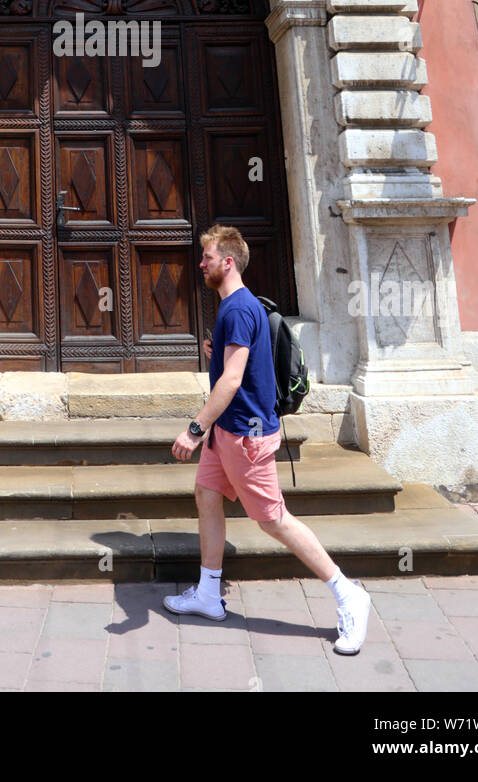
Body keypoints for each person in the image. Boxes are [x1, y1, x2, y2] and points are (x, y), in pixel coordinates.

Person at [162, 224, 372, 655]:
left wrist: (194, 430)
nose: (200, 264)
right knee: (206, 495)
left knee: (273, 519)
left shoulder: (237, 309)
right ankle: (207, 592)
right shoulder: (239, 307)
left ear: (228, 262)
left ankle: (348, 592)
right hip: (231, 433)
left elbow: (233, 380)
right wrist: (216, 354)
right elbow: (238, 364)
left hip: (244, 435)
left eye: (207, 257)